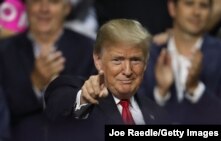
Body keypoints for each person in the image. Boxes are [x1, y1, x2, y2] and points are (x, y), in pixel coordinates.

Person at [44, 19, 167, 141]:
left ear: (145, 63)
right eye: (117, 60)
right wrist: (83, 100)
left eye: (135, 60)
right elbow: (57, 109)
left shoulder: (157, 114)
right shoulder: (78, 93)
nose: (128, 71)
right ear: (98, 60)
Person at [140, 0, 221, 124]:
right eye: (189, 3)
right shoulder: (148, 55)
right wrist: (161, 93)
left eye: (203, 6)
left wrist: (195, 89)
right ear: (172, 8)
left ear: (210, 11)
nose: (196, 12)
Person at [0, 0, 95, 139]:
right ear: (26, 6)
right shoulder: (4, 52)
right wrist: (34, 85)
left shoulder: (90, 51)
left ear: (67, 8)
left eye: (53, 1)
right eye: (36, 1)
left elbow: (97, 112)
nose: (44, 9)